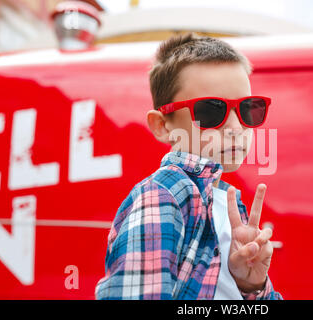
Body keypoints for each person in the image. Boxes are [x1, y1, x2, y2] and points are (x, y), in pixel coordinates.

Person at [95, 32, 283, 300]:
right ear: (162, 126)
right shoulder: (163, 197)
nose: (234, 128)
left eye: (248, 108)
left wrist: (250, 286)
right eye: (210, 111)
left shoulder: (226, 202)